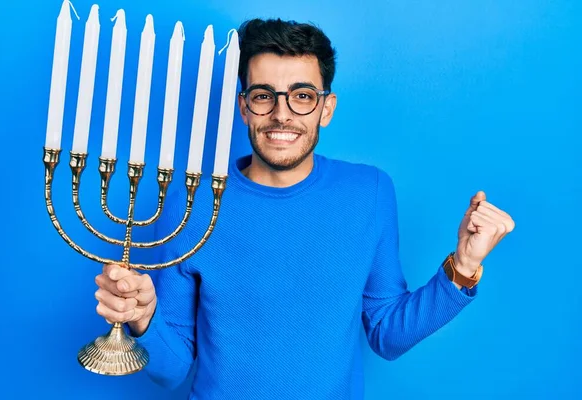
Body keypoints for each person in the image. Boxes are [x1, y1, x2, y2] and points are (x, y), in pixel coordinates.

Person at [94, 18, 515, 399]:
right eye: (263, 96)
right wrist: (143, 319)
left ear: (325, 109)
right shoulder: (189, 203)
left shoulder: (369, 192)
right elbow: (173, 370)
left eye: (302, 96)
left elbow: (387, 333)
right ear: (244, 106)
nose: (282, 115)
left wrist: (463, 266)